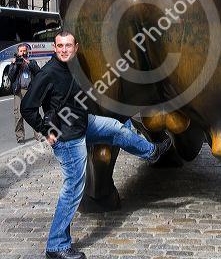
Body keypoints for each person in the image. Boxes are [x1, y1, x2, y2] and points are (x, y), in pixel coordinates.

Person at [20, 31, 172, 259]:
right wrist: (46, 130)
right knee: (73, 189)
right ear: (54, 48)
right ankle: (56, 245)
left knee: (116, 128)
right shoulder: (47, 74)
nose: (64, 50)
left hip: (84, 124)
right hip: (67, 138)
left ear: (76, 47)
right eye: (60, 46)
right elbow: (27, 107)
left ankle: (151, 152)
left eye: (68, 46)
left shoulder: (73, 67)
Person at [8, 43, 40, 144]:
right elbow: (11, 77)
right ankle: (20, 137)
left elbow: (38, 73)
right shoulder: (14, 63)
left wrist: (29, 63)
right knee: (19, 115)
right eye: (21, 51)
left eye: (24, 51)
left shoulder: (32, 62)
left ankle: (38, 134)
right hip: (19, 91)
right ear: (18, 52)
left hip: (31, 91)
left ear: (27, 51)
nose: (23, 53)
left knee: (34, 113)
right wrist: (16, 65)